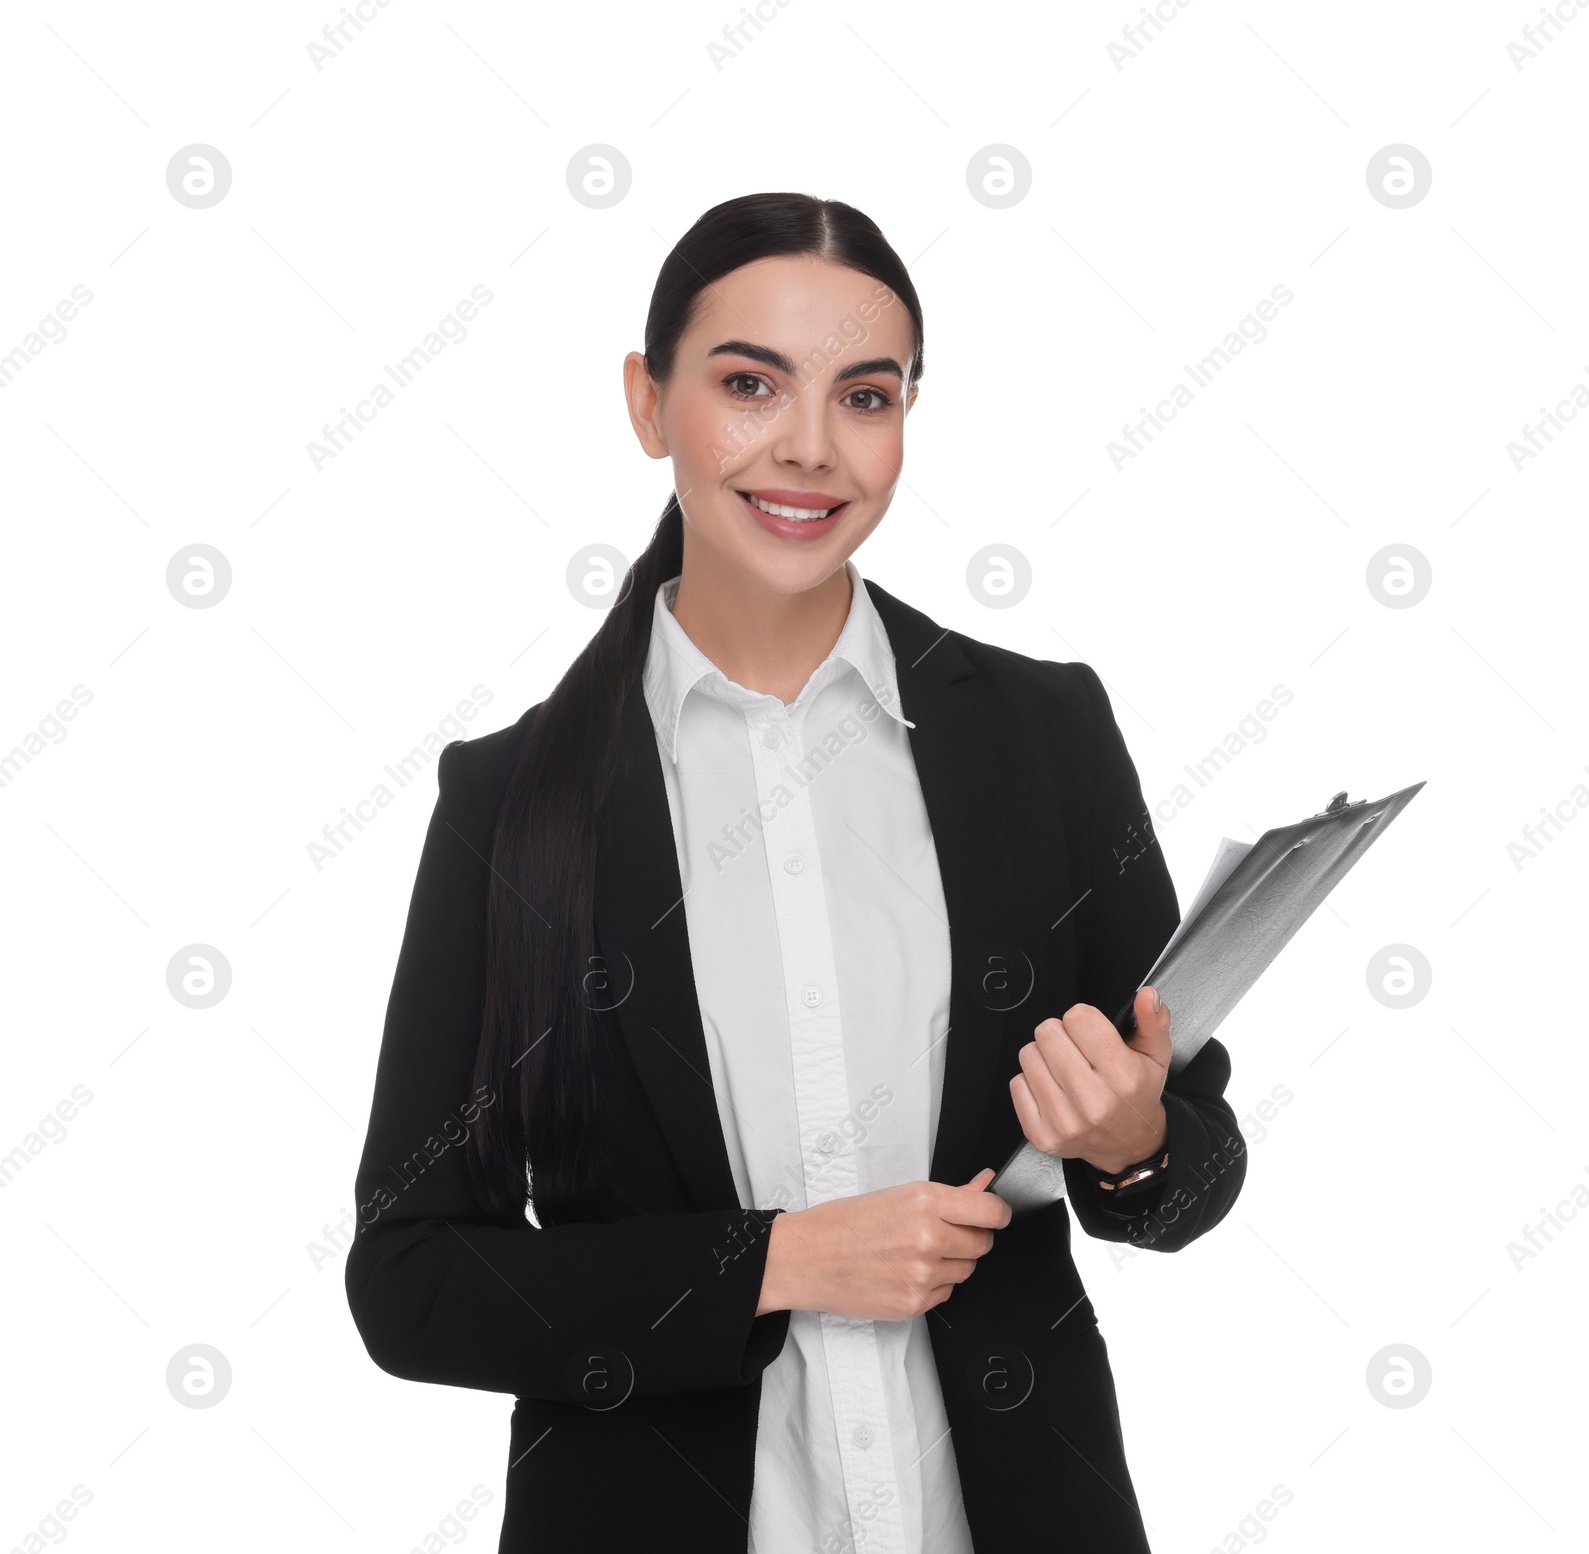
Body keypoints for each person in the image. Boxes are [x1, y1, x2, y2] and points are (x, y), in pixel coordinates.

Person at [345, 192, 1246, 1553]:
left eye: (866, 395)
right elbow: (410, 1281)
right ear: (649, 404)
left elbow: (1196, 1161)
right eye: (750, 383)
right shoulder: (513, 802)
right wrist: (771, 1261)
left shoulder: (1040, 732)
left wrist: (1132, 1145)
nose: (812, 448)